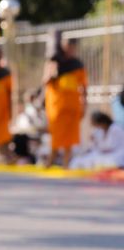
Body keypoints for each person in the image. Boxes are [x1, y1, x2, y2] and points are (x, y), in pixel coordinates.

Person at [44, 32, 87, 168]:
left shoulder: (77, 64)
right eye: (68, 46)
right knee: (56, 134)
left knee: (70, 136)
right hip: (57, 106)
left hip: (72, 106)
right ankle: (50, 160)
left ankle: (66, 163)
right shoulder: (54, 62)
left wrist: (84, 105)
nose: (70, 49)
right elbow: (45, 81)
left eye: (73, 47)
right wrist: (52, 73)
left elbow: (84, 87)